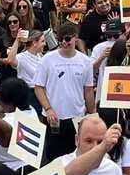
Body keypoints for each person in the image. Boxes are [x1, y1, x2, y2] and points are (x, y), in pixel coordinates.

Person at [34, 23, 94, 159]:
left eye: (67, 39)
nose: (63, 43)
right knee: (54, 158)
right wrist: (48, 109)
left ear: (75, 38)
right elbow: (39, 87)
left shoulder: (85, 62)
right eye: (60, 39)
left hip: (77, 117)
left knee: (77, 157)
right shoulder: (47, 59)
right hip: (54, 118)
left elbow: (88, 90)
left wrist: (92, 113)